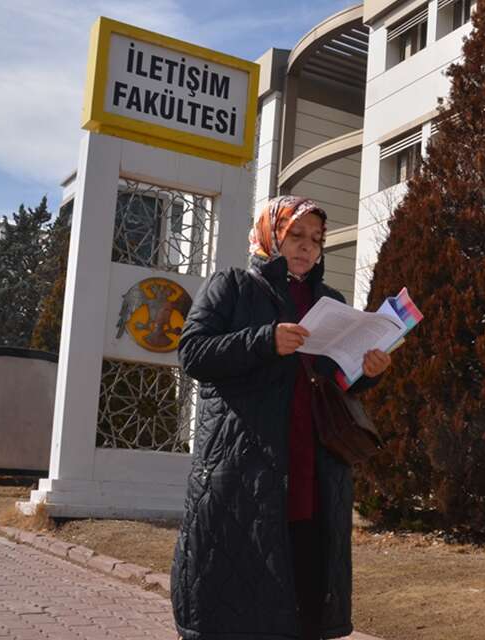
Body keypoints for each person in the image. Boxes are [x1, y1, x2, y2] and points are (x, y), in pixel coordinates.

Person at [171, 195, 391, 640]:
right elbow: (192, 352)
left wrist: (364, 373)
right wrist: (264, 340)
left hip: (314, 471)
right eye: (296, 235)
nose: (307, 247)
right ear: (272, 234)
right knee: (235, 599)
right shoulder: (232, 286)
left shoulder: (329, 300)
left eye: (316, 239)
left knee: (304, 595)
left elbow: (330, 380)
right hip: (242, 469)